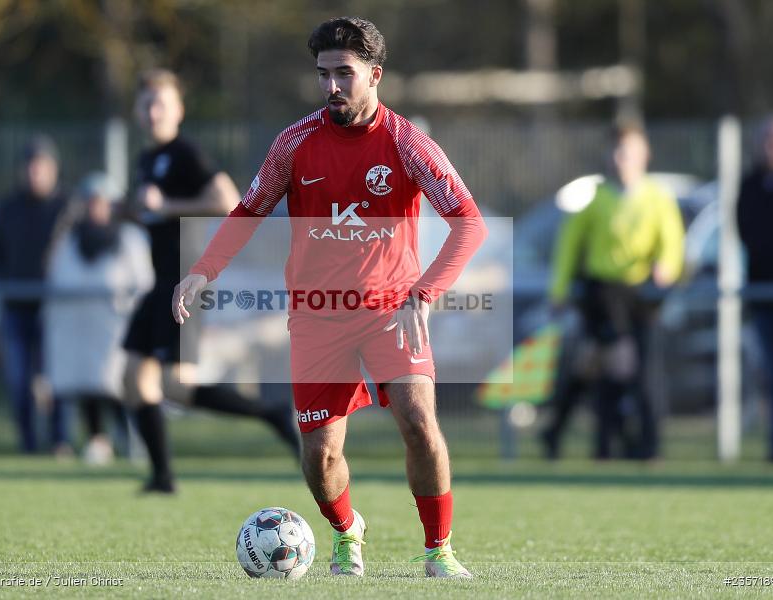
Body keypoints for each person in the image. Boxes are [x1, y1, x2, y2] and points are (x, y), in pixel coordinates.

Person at [173, 17, 487, 578]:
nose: (333, 86)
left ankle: (438, 549)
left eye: (345, 73)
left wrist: (424, 293)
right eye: (324, 75)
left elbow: (469, 223)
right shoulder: (295, 144)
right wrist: (202, 271)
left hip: (391, 312)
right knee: (320, 455)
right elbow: (249, 211)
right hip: (318, 318)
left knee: (420, 423)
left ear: (376, 75)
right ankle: (347, 532)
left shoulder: (406, 144)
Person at [123, 69, 301, 493]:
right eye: (146, 104)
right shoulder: (147, 159)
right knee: (132, 378)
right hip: (158, 283)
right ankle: (162, 477)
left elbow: (226, 200)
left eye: (161, 103)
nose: (152, 112)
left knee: (176, 388)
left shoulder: (185, 153)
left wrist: (166, 205)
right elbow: (153, 213)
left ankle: (271, 413)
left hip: (185, 283)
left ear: (179, 111)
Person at [549, 123, 685, 460]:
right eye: (616, 151)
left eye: (627, 152)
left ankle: (635, 445)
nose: (620, 158)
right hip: (603, 295)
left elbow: (672, 240)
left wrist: (666, 265)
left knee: (616, 368)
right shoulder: (598, 199)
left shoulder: (657, 197)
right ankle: (613, 445)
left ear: (644, 156)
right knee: (618, 365)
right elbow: (568, 245)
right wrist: (559, 290)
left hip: (641, 296)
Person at [44, 172, 154, 465]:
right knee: (86, 387)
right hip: (78, 327)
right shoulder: (70, 240)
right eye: (91, 202)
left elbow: (143, 282)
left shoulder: (129, 239)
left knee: (118, 387)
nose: (96, 208)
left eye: (102, 202)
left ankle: (132, 441)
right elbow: (58, 278)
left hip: (116, 327)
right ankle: (97, 440)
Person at [0, 135, 71, 455]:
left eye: (42, 165)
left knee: (59, 381)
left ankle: (61, 441)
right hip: (17, 307)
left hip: (58, 309)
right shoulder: (9, 208)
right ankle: (28, 444)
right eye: (30, 166)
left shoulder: (67, 206)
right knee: (20, 381)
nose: (35, 172)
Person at [736, 114, 773, 462]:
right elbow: (743, 229)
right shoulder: (750, 184)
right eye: (765, 140)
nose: (770, 147)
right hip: (763, 293)